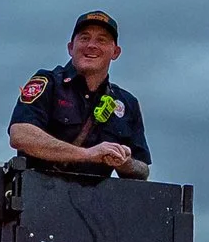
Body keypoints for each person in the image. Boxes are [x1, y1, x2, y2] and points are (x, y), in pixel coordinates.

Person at [8, 11, 150, 178]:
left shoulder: (127, 103)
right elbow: (20, 135)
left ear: (115, 52)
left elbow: (143, 169)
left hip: (95, 201)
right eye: (84, 38)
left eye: (102, 40)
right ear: (70, 48)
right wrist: (89, 154)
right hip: (36, 196)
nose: (91, 45)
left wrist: (125, 162)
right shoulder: (48, 83)